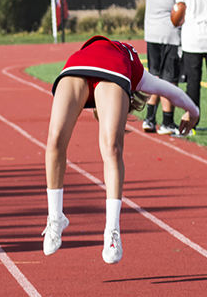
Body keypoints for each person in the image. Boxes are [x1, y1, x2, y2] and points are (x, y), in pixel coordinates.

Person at [43, 35, 199, 264]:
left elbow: (168, 91)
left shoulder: (133, 75)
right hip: (78, 65)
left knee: (111, 148)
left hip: (113, 71)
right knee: (55, 141)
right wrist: (193, 111)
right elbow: (170, 91)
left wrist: (193, 112)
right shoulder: (136, 76)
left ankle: (112, 231)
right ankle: (55, 218)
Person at [142, 0, 182, 135]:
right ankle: (167, 121)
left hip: (152, 31)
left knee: (154, 76)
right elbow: (181, 7)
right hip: (169, 33)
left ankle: (149, 118)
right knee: (170, 79)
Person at [177, 0, 207, 130]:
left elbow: (178, 11)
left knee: (193, 83)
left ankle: (192, 125)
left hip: (192, 37)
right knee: (193, 84)